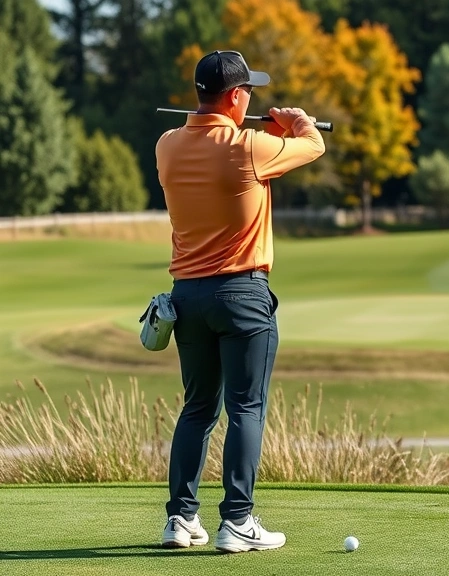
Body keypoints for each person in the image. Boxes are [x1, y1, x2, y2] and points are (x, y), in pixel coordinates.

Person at [154, 50, 325, 553]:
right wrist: (297, 121)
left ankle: (181, 520)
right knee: (246, 407)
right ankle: (237, 521)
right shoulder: (251, 146)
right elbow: (311, 145)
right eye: (248, 89)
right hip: (242, 294)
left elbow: (199, 136)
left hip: (187, 296)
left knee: (198, 408)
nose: (251, 97)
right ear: (234, 97)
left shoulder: (167, 146)